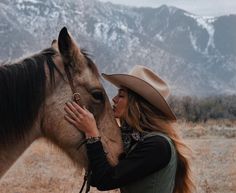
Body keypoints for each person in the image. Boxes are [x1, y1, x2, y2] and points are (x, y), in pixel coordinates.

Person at [64, 65, 194, 193]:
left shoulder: (157, 146)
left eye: (121, 95)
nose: (114, 99)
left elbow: (105, 180)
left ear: (137, 104)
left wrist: (92, 133)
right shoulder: (133, 139)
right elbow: (95, 179)